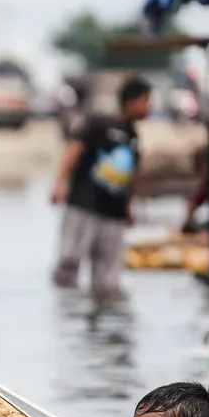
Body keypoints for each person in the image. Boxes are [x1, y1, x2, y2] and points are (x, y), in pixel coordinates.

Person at [50, 76, 153, 293]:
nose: (148, 107)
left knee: (108, 277)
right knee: (69, 264)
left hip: (113, 213)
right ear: (131, 102)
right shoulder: (98, 124)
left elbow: (131, 176)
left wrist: (128, 207)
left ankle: (104, 312)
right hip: (84, 206)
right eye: (145, 101)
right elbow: (72, 153)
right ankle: (67, 311)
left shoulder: (133, 137)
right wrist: (59, 185)